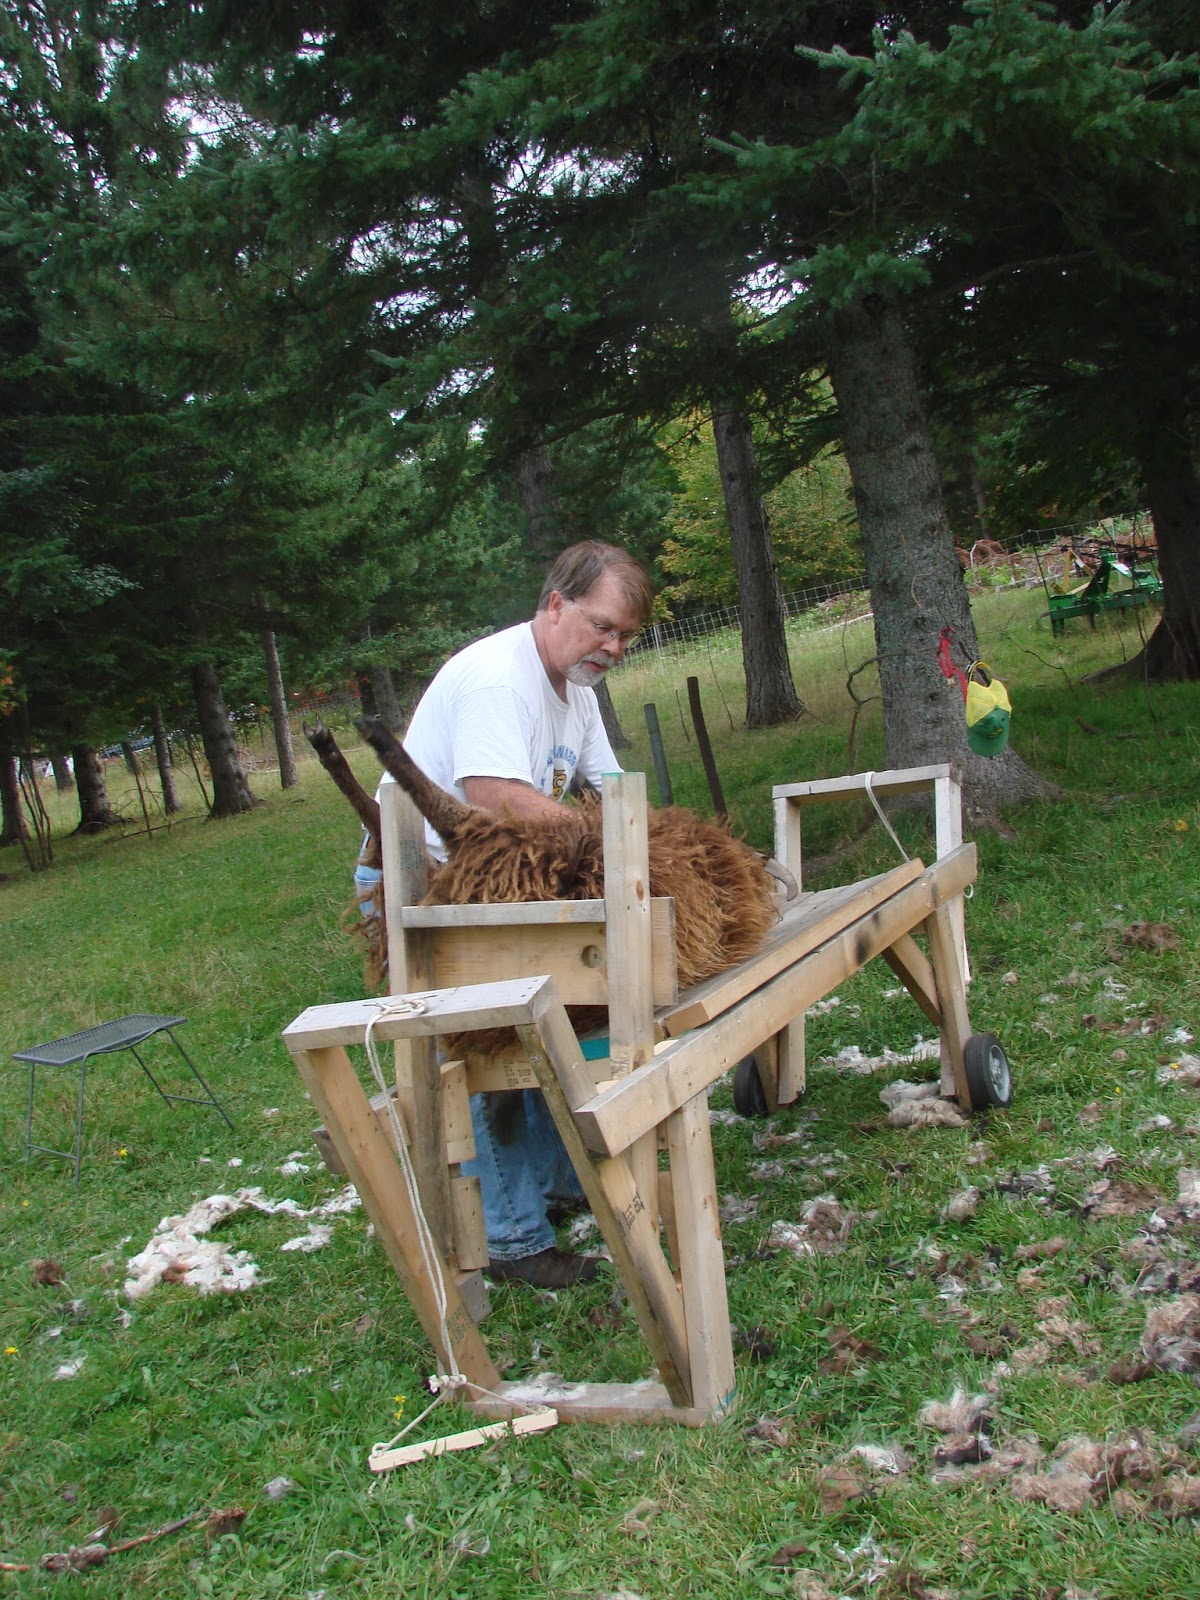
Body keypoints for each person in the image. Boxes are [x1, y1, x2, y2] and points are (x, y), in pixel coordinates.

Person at [356, 540, 654, 1288]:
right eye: (601, 626)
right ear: (555, 603)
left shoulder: (576, 694)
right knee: (484, 1041)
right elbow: (493, 798)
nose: (611, 647)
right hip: (423, 883)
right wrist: (598, 840)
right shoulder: (498, 678)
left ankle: (552, 1190)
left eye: (624, 636)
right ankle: (512, 1238)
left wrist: (648, 838)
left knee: (554, 1016)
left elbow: (611, 788)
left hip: (494, 878)